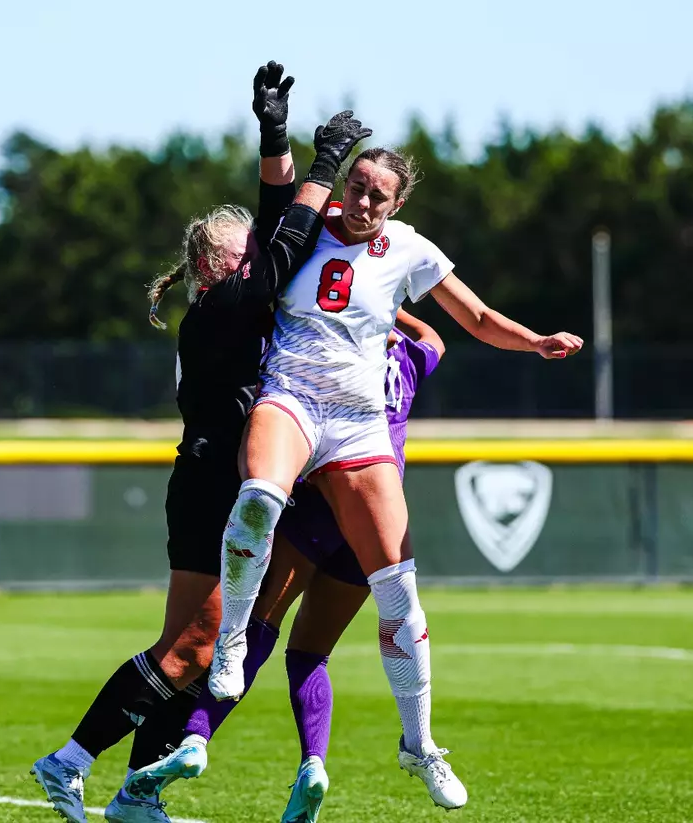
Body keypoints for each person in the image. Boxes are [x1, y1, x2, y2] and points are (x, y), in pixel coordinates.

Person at [30, 62, 372, 823]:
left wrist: (273, 134)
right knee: (191, 652)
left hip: (212, 480)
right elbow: (284, 239)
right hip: (216, 484)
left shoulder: (230, 299)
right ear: (219, 263)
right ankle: (69, 761)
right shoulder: (221, 308)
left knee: (202, 649)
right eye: (244, 249)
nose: (257, 253)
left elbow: (279, 219)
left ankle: (131, 795)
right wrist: (323, 163)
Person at [209, 149, 583, 811]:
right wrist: (281, 138)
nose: (361, 202)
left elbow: (471, 318)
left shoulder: (408, 248)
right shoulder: (308, 219)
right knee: (259, 500)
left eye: (377, 196)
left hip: (358, 423)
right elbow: (275, 194)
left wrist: (533, 340)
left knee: (399, 594)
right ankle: (230, 647)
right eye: (355, 186)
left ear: (396, 205)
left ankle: (419, 746)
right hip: (293, 396)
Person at [121, 310, 446, 823]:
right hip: (375, 520)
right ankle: (313, 764)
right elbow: (433, 338)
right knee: (312, 655)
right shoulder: (407, 360)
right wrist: (392, 303)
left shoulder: (335, 354)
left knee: (254, 630)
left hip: (318, 508)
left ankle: (195, 738)